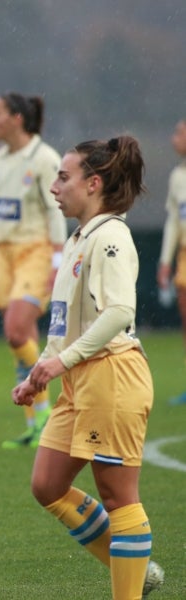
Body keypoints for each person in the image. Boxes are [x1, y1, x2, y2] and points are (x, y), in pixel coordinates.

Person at [12, 136, 163, 599]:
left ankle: (130, 588)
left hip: (112, 376)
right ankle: (138, 568)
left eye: (64, 177)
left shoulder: (112, 236)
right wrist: (41, 369)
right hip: (80, 380)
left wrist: (62, 360)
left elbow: (118, 312)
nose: (54, 187)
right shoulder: (81, 236)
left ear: (93, 183)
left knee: (118, 495)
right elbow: (65, 321)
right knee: (47, 485)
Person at [0, 92, 67, 449]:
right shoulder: (1, 159)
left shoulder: (45, 157)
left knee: (17, 330)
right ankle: (37, 422)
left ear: (16, 118)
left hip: (36, 250)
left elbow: (54, 211)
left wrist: (57, 261)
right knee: (20, 338)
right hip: (5, 255)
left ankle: (50, 409)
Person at [156, 119, 186, 404]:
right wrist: (166, 261)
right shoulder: (178, 176)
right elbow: (174, 222)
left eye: (179, 133)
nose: (174, 138)